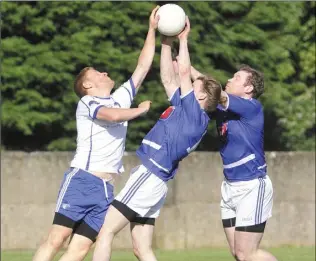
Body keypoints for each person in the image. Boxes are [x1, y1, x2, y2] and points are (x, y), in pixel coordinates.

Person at [32, 6, 160, 261]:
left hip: (105, 188)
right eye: (98, 73)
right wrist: (140, 110)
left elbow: (143, 66)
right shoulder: (88, 103)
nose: (105, 72)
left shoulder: (119, 98)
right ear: (88, 85)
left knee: (80, 249)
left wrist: (152, 30)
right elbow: (111, 116)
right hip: (82, 180)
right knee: (56, 239)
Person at [92, 16, 222, 261]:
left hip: (150, 176)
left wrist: (182, 39)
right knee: (142, 249)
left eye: (197, 85)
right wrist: (165, 41)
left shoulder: (195, 113)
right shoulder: (188, 111)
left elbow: (182, 72)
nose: (192, 84)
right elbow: (168, 79)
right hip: (155, 181)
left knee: (105, 231)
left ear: (203, 98)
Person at [190, 63, 277, 261]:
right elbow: (208, 86)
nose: (229, 79)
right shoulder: (223, 108)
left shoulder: (251, 107)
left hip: (251, 185)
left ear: (249, 88)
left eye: (236, 78)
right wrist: (186, 65)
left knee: (247, 253)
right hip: (229, 186)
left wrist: (194, 74)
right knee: (238, 254)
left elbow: (214, 90)